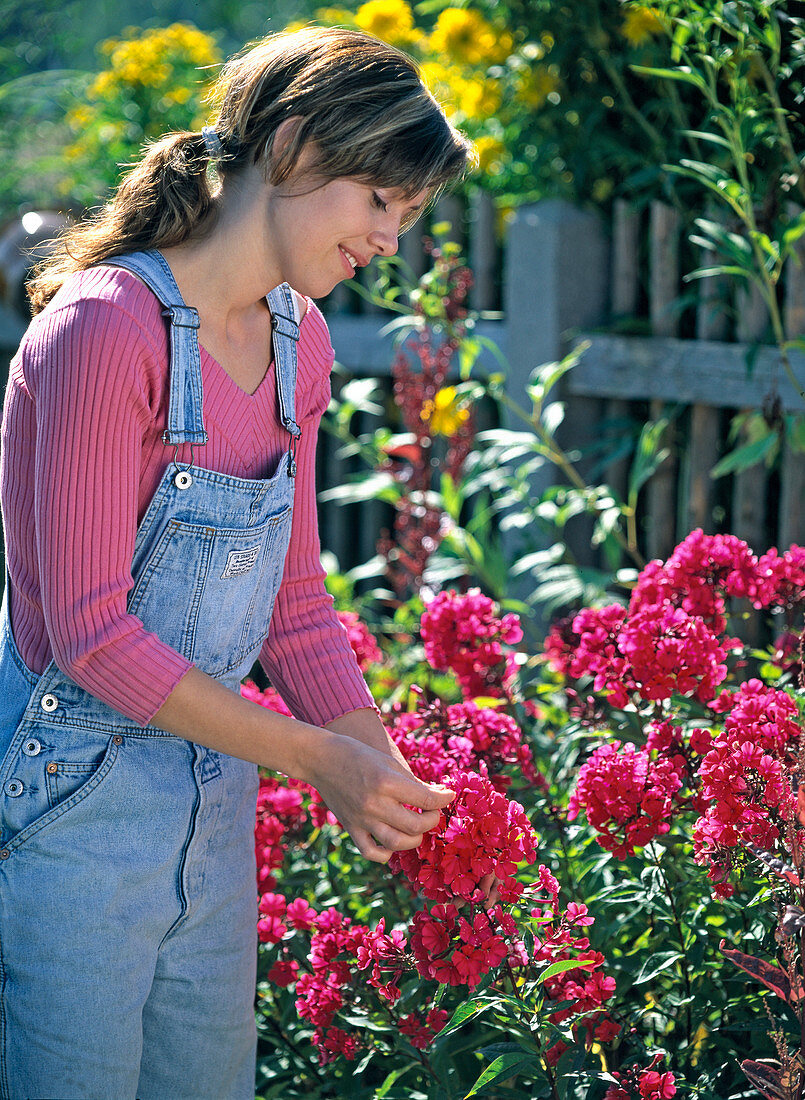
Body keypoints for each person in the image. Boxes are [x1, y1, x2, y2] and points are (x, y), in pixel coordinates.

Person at [0, 25, 471, 1100]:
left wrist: (375, 771)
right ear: (296, 147)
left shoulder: (301, 343)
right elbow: (88, 636)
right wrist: (316, 757)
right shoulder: (101, 332)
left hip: (212, 824)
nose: (391, 239)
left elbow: (298, 604)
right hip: (67, 824)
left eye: (406, 216)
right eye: (380, 201)